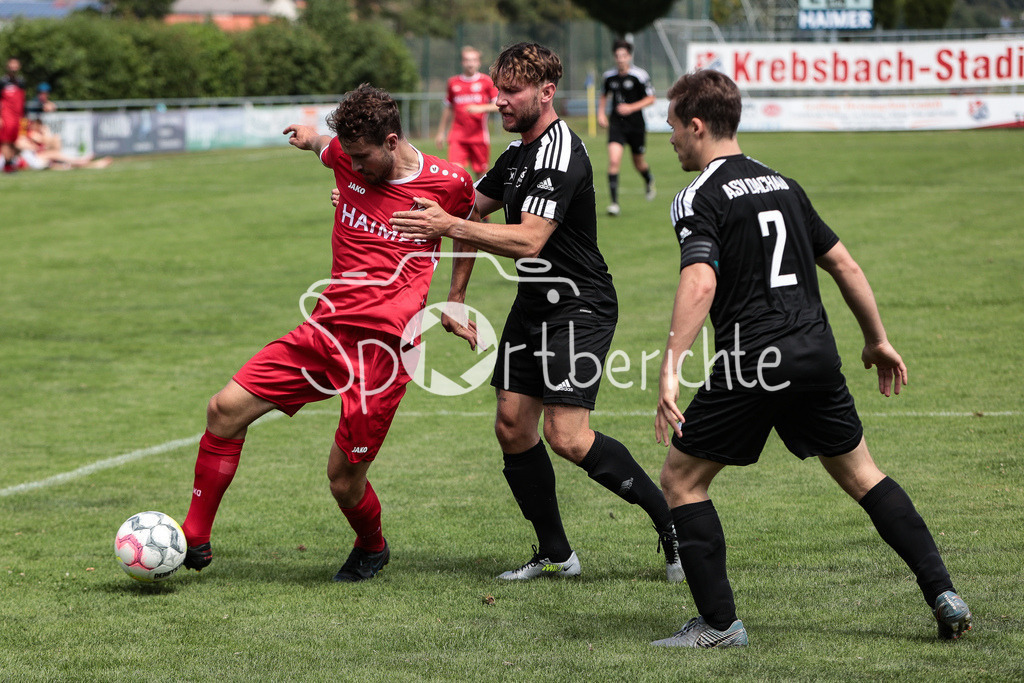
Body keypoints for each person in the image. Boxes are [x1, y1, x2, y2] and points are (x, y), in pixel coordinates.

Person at [651, 69, 971, 648]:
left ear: (697, 126)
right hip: (815, 353)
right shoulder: (785, 185)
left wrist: (670, 365)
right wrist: (876, 339)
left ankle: (720, 627)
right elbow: (845, 265)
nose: (669, 137)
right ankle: (943, 592)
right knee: (863, 475)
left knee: (681, 481)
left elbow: (699, 279)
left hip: (755, 360)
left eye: (672, 126)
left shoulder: (698, 195)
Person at [392, 42, 683, 583]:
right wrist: (455, 297)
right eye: (496, 90)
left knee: (568, 436)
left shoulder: (561, 152)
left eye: (510, 92)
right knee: (511, 427)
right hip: (533, 307)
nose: (497, 100)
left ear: (546, 93)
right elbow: (468, 213)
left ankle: (673, 525)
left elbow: (527, 240)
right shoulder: (515, 155)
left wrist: (449, 226)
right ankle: (556, 552)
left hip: (580, 305)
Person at [178, 84, 476, 582]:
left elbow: (467, 225)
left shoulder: (448, 182)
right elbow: (326, 147)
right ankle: (194, 538)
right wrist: (310, 136)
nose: (354, 167)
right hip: (325, 330)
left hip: (383, 354)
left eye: (363, 157)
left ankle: (372, 546)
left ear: (392, 140)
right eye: (349, 157)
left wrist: (457, 299)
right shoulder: (344, 154)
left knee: (343, 481)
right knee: (224, 409)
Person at [597, 40, 656, 217]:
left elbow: (651, 98)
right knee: (614, 161)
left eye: (624, 56)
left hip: (636, 125)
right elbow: (603, 95)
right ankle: (614, 204)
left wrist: (631, 107)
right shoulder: (609, 77)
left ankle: (648, 179)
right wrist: (601, 113)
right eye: (617, 56)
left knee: (638, 163)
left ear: (629, 56)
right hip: (617, 125)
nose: (620, 59)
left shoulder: (640, 75)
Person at [435, 46, 499, 179]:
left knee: (481, 178)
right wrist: (441, 132)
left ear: (478, 62)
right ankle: (459, 200)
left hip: (479, 136)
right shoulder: (453, 83)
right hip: (457, 136)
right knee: (454, 174)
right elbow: (448, 108)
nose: (470, 63)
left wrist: (480, 108)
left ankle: (478, 200)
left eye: (473, 60)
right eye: (467, 60)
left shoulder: (486, 81)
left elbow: (498, 106)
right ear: (462, 62)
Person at [14, 118, 112, 170]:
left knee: (64, 166)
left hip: (38, 160)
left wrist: (45, 132)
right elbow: (35, 145)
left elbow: (48, 142)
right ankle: (81, 160)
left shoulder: (32, 135)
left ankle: (94, 165)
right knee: (56, 156)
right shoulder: (27, 136)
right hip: (33, 161)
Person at [1, 57, 26, 172]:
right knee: (5, 140)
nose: (13, 67)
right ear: (8, 66)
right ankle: (8, 164)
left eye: (16, 65)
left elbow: (22, 100)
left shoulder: (21, 82)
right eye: (12, 65)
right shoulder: (2, 82)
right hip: (6, 116)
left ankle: (11, 161)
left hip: (17, 116)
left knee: (14, 141)